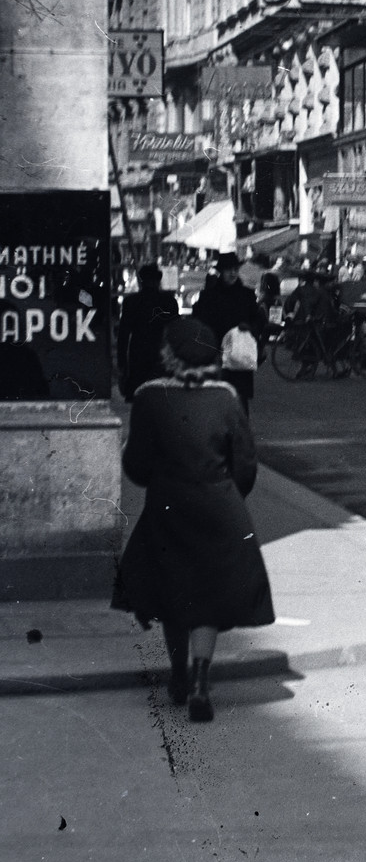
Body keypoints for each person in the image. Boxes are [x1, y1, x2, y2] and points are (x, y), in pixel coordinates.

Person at [111, 317, 274, 721]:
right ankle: (202, 679)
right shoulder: (227, 398)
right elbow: (246, 468)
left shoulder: (150, 398)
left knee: (172, 592)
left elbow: (136, 466)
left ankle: (178, 677)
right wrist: (223, 491)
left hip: (168, 507)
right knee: (208, 599)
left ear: (170, 353)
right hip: (219, 508)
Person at [192, 251, 267, 413]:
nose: (233, 273)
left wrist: (250, 328)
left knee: (240, 403)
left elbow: (259, 319)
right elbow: (199, 324)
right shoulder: (208, 297)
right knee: (216, 401)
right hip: (217, 357)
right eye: (228, 270)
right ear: (221, 271)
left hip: (240, 358)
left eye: (235, 269)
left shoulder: (246, 295)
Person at [116, 264, 180, 402]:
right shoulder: (169, 301)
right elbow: (176, 331)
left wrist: (121, 360)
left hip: (138, 352)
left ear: (141, 281)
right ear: (158, 281)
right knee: (161, 396)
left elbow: (124, 333)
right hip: (162, 352)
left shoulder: (131, 301)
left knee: (138, 395)